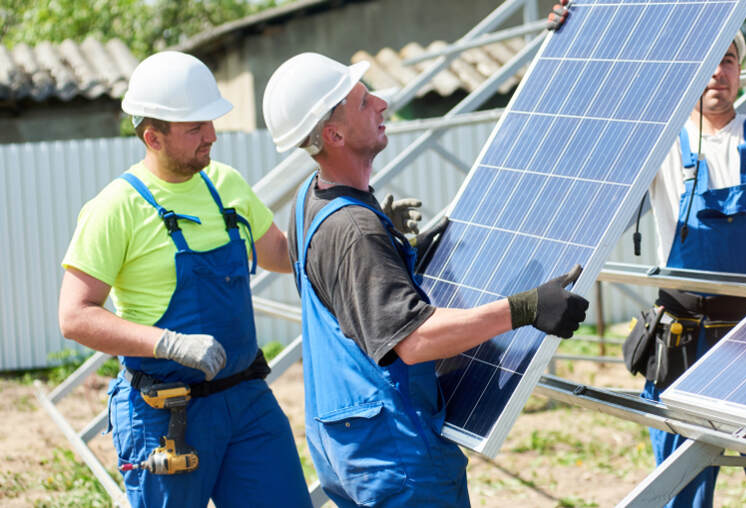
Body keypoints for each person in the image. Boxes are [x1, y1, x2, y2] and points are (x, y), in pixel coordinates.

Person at [261, 52, 590, 507]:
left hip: (345, 439)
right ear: (333, 134)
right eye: (362, 102)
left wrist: (390, 246)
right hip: (395, 452)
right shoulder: (354, 230)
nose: (381, 103)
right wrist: (524, 308)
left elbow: (343, 288)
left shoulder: (308, 201)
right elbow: (412, 340)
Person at [550, 1, 746, 507]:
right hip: (684, 346)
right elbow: (591, 122)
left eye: (727, 59)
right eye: (706, 61)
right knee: (678, 495)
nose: (717, 72)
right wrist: (576, 41)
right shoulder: (660, 143)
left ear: (740, 70)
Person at [58, 51, 311, 508]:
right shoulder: (115, 208)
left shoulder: (225, 184)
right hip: (165, 412)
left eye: (210, 122)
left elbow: (279, 253)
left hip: (247, 401)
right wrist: (168, 343)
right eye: (195, 128)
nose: (212, 136)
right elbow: (74, 317)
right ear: (153, 137)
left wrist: (350, 229)